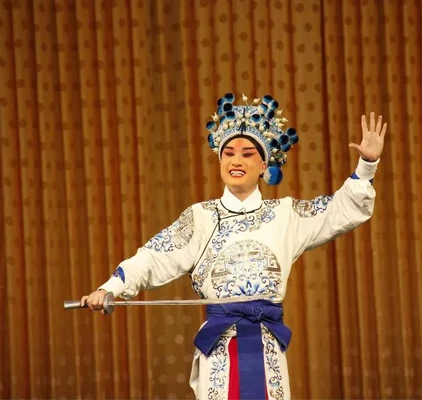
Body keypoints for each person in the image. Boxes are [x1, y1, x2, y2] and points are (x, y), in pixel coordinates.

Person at [81, 93, 387, 400]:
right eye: (228, 153)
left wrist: (367, 164)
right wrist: (111, 287)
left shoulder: (285, 215)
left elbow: (338, 210)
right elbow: (153, 257)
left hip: (266, 347)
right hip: (220, 349)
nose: (236, 161)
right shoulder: (201, 217)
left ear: (265, 164)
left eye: (247, 154)